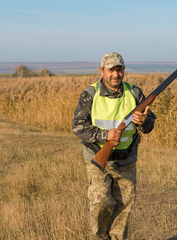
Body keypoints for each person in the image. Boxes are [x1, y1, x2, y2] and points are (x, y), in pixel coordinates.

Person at [72, 52, 156, 240]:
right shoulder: (90, 94)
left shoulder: (135, 93)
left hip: (126, 161)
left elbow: (149, 126)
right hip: (98, 159)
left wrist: (144, 121)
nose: (116, 75)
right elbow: (77, 127)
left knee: (124, 206)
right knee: (100, 203)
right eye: (111, 70)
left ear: (124, 71)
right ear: (102, 71)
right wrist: (106, 135)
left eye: (119, 70)